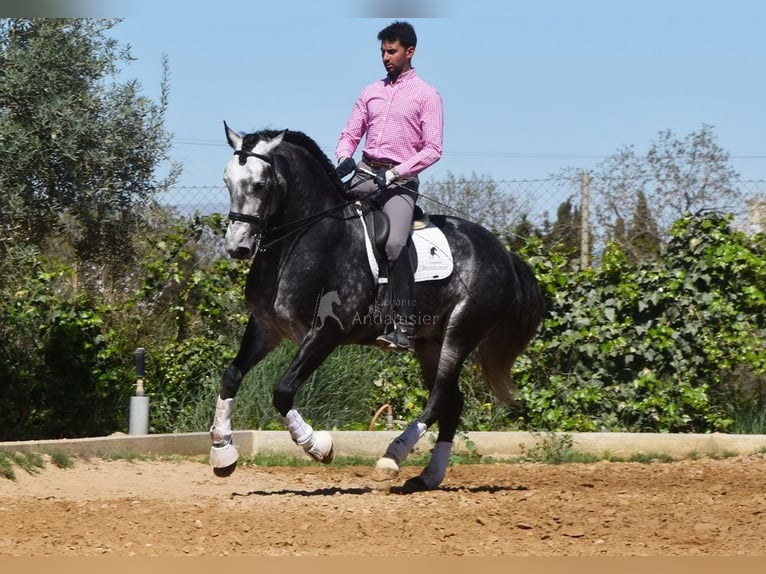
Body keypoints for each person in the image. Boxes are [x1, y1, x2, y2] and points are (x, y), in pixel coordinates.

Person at [335, 21, 444, 350]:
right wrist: (343, 158)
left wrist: (394, 174)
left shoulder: (428, 96)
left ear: (409, 52)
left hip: (399, 184)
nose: (386, 57)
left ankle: (403, 325)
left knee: (395, 243)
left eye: (392, 51)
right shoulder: (370, 92)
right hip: (364, 173)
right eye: (383, 51)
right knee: (329, 225)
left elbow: (433, 149)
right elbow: (350, 134)